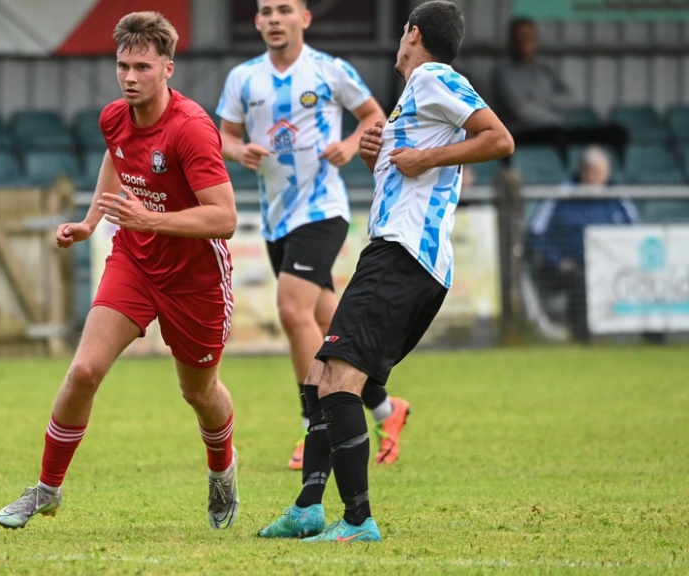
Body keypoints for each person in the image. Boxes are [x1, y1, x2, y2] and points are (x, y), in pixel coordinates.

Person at [258, 0, 514, 542]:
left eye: (403, 32)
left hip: (402, 256)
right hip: (401, 258)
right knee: (320, 374)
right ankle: (308, 506)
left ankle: (356, 520)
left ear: (412, 33)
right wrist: (378, 154)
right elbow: (412, 171)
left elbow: (499, 138)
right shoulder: (413, 100)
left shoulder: (432, 78)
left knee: (340, 383)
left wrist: (424, 160)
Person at [0, 11, 240, 530]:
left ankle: (222, 469)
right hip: (134, 260)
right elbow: (117, 157)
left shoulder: (191, 130)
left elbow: (225, 218)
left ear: (168, 68)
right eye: (123, 66)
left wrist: (151, 216)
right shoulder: (114, 117)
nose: (130, 77)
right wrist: (90, 222)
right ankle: (46, 489)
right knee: (84, 370)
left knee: (198, 392)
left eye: (142, 67)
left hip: (195, 279)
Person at [215, 0, 410, 472]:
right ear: (257, 22)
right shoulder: (244, 78)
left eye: (284, 9)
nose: (274, 19)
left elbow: (374, 117)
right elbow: (222, 136)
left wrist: (348, 143)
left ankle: (315, 426)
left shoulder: (329, 70)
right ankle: (386, 408)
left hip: (323, 209)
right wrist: (239, 150)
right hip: (276, 217)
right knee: (329, 329)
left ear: (304, 18)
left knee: (290, 309)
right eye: (265, 11)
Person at [526, 145, 638, 342]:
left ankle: (644, 336)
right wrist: (558, 260)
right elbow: (536, 233)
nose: (603, 179)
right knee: (579, 278)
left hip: (612, 266)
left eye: (605, 174)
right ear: (586, 172)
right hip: (569, 267)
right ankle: (582, 338)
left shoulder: (617, 196)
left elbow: (637, 232)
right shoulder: (561, 196)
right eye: (598, 174)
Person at [490, 17, 626, 158]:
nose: (525, 42)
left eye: (529, 37)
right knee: (558, 135)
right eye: (519, 38)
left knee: (616, 133)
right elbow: (521, 111)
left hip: (558, 127)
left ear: (536, 40)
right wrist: (554, 115)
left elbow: (571, 99)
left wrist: (535, 99)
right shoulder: (503, 73)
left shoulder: (545, 70)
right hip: (523, 133)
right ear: (511, 42)